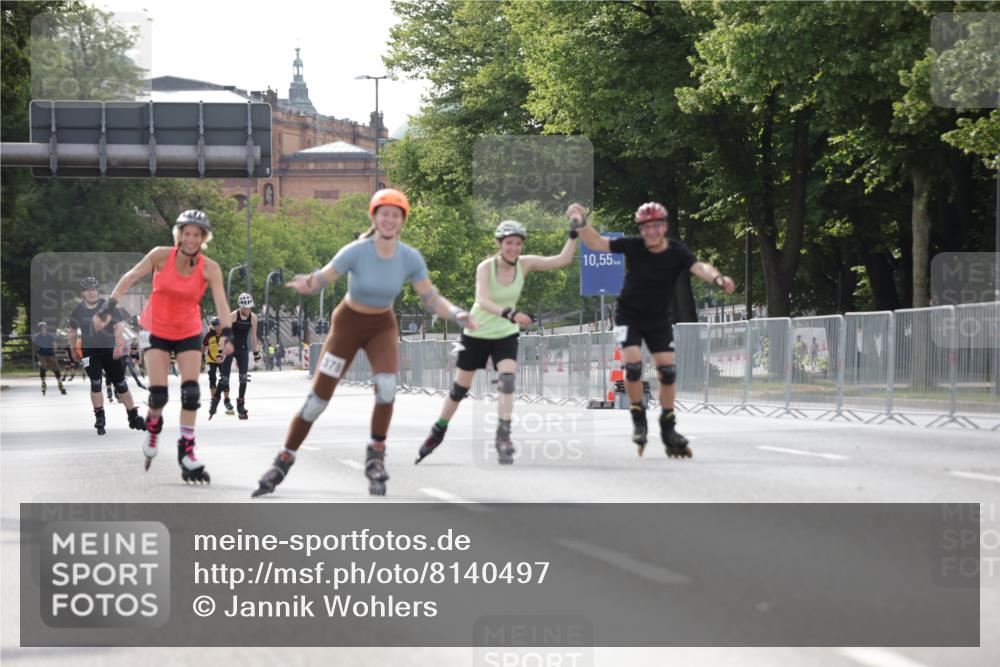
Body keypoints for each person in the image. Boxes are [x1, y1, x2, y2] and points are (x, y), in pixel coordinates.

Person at [252, 188, 477, 498]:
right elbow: (325, 276)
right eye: (384, 213)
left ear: (402, 222)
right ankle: (284, 458)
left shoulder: (409, 257)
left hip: (381, 326)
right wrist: (309, 283)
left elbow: (430, 297)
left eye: (395, 215)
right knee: (317, 401)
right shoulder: (356, 251)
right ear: (374, 216)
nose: (389, 219)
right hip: (347, 325)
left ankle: (375, 457)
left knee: (386, 387)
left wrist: (457, 313)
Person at [570, 201, 735, 457]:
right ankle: (638, 416)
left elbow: (699, 266)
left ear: (664, 227)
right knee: (633, 366)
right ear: (641, 229)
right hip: (629, 315)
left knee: (667, 371)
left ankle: (668, 426)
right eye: (646, 227)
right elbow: (596, 243)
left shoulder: (677, 251)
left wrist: (718, 278)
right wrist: (581, 222)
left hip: (658, 318)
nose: (651, 232)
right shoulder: (634, 246)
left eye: (656, 226)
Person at [415, 219, 577, 465]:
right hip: (477, 332)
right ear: (499, 244)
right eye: (509, 243)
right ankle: (438, 430)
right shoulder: (486, 267)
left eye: (518, 244)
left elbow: (562, 259)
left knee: (508, 380)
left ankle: (504, 436)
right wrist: (513, 314)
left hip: (505, 333)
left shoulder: (525, 264)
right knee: (459, 390)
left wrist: (575, 233)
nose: (514, 248)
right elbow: (482, 301)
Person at [96, 210, 233, 483]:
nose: (191, 239)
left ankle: (187, 451)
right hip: (156, 327)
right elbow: (131, 276)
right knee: (159, 395)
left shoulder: (210, 268)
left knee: (191, 392)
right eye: (187, 233)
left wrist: (228, 333)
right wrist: (108, 306)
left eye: (197, 235)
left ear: (203, 238)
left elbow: (221, 302)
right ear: (179, 235)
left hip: (188, 330)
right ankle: (153, 428)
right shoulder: (161, 255)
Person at [68, 276, 146, 435]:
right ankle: (100, 416)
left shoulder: (107, 306)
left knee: (120, 383)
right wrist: (72, 349)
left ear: (97, 291)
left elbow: (119, 327)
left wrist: (118, 345)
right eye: (87, 290)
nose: (91, 293)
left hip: (111, 350)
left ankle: (133, 415)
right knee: (95, 382)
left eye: (93, 289)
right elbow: (72, 331)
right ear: (83, 293)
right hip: (90, 351)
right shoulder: (78, 310)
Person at [208, 294, 260, 420]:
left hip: (242, 349)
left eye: (249, 308)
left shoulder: (253, 318)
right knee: (224, 379)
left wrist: (256, 352)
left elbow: (253, 336)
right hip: (230, 348)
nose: (247, 310)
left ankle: (240, 405)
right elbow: (225, 336)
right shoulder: (232, 316)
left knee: (243, 378)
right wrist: (221, 351)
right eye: (245, 308)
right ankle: (215, 402)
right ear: (240, 307)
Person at [202, 316, 234, 416]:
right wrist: (204, 357)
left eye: (219, 325)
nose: (217, 327)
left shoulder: (226, 334)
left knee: (225, 380)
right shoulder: (208, 335)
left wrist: (225, 357)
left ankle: (227, 400)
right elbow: (204, 346)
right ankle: (213, 401)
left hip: (223, 359)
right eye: (215, 326)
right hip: (211, 360)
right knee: (212, 378)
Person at [32, 322, 66, 395]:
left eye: (44, 328)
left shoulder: (50, 336)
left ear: (46, 328)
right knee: (43, 367)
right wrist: (36, 356)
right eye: (41, 328)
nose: (43, 329)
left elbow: (55, 345)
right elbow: (35, 347)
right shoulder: (37, 337)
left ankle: (60, 383)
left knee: (55, 369)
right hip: (42, 355)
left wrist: (54, 353)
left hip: (50, 354)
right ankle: (43, 383)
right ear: (39, 329)